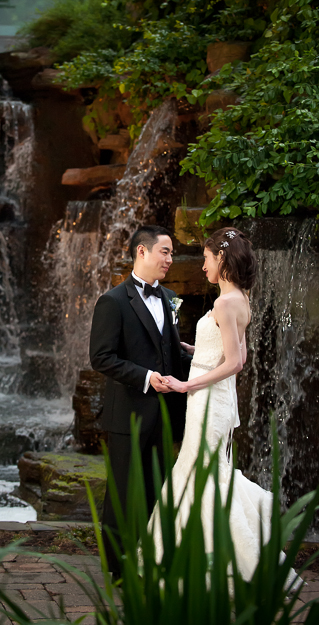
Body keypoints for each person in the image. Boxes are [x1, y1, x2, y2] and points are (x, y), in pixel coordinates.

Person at [152, 226, 297, 584]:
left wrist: (186, 384)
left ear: (220, 257)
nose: (202, 267)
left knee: (202, 474)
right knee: (203, 473)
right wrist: (193, 351)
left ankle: (213, 564)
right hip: (213, 398)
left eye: (204, 258)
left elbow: (236, 363)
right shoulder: (240, 298)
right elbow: (233, 350)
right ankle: (196, 556)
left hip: (208, 400)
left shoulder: (224, 302)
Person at [89, 224, 191, 577]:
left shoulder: (170, 298)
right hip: (128, 416)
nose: (170, 259)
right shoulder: (113, 301)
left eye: (172, 253)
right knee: (122, 495)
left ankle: (151, 562)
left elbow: (168, 350)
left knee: (158, 490)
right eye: (165, 251)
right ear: (142, 252)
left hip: (165, 416)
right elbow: (101, 358)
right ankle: (117, 572)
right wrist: (147, 378)